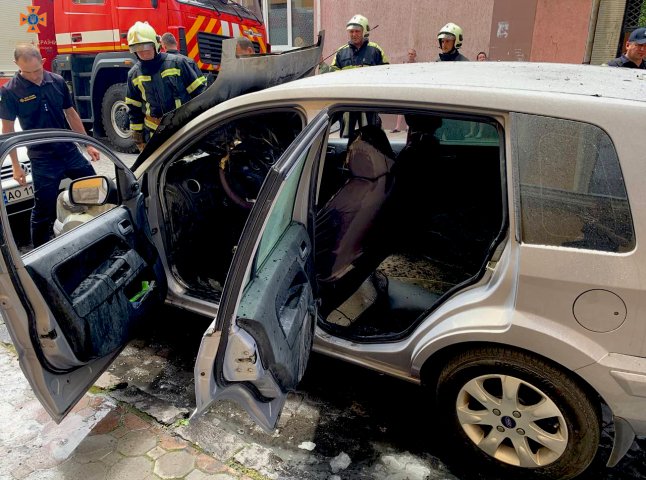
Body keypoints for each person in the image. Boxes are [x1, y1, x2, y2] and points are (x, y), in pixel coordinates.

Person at [0, 43, 100, 247]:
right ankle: (39, 251)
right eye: (27, 72)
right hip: (42, 159)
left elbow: (71, 114)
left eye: (36, 70)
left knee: (97, 189)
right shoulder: (10, 91)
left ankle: (99, 233)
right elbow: (8, 130)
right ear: (16, 66)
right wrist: (16, 166)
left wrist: (88, 144)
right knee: (43, 210)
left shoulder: (57, 81)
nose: (34, 76)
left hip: (69, 152)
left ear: (43, 62)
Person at [125, 22, 207, 152]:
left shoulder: (177, 63)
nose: (143, 54)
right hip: (155, 136)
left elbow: (200, 94)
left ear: (156, 44)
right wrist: (137, 136)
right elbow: (134, 109)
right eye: (138, 51)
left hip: (183, 129)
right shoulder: (134, 75)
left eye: (146, 49)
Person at [330, 14, 389, 136]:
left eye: (357, 31)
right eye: (351, 31)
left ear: (365, 31)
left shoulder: (375, 50)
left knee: (369, 136)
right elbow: (332, 75)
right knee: (346, 136)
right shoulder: (341, 52)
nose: (354, 34)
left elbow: (386, 73)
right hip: (347, 103)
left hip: (369, 102)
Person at [391, 48, 417, 133]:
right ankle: (398, 127)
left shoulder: (418, 65)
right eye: (409, 54)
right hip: (404, 87)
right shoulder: (404, 64)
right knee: (401, 107)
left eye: (412, 54)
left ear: (415, 55)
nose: (410, 55)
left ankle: (408, 126)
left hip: (412, 88)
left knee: (410, 108)